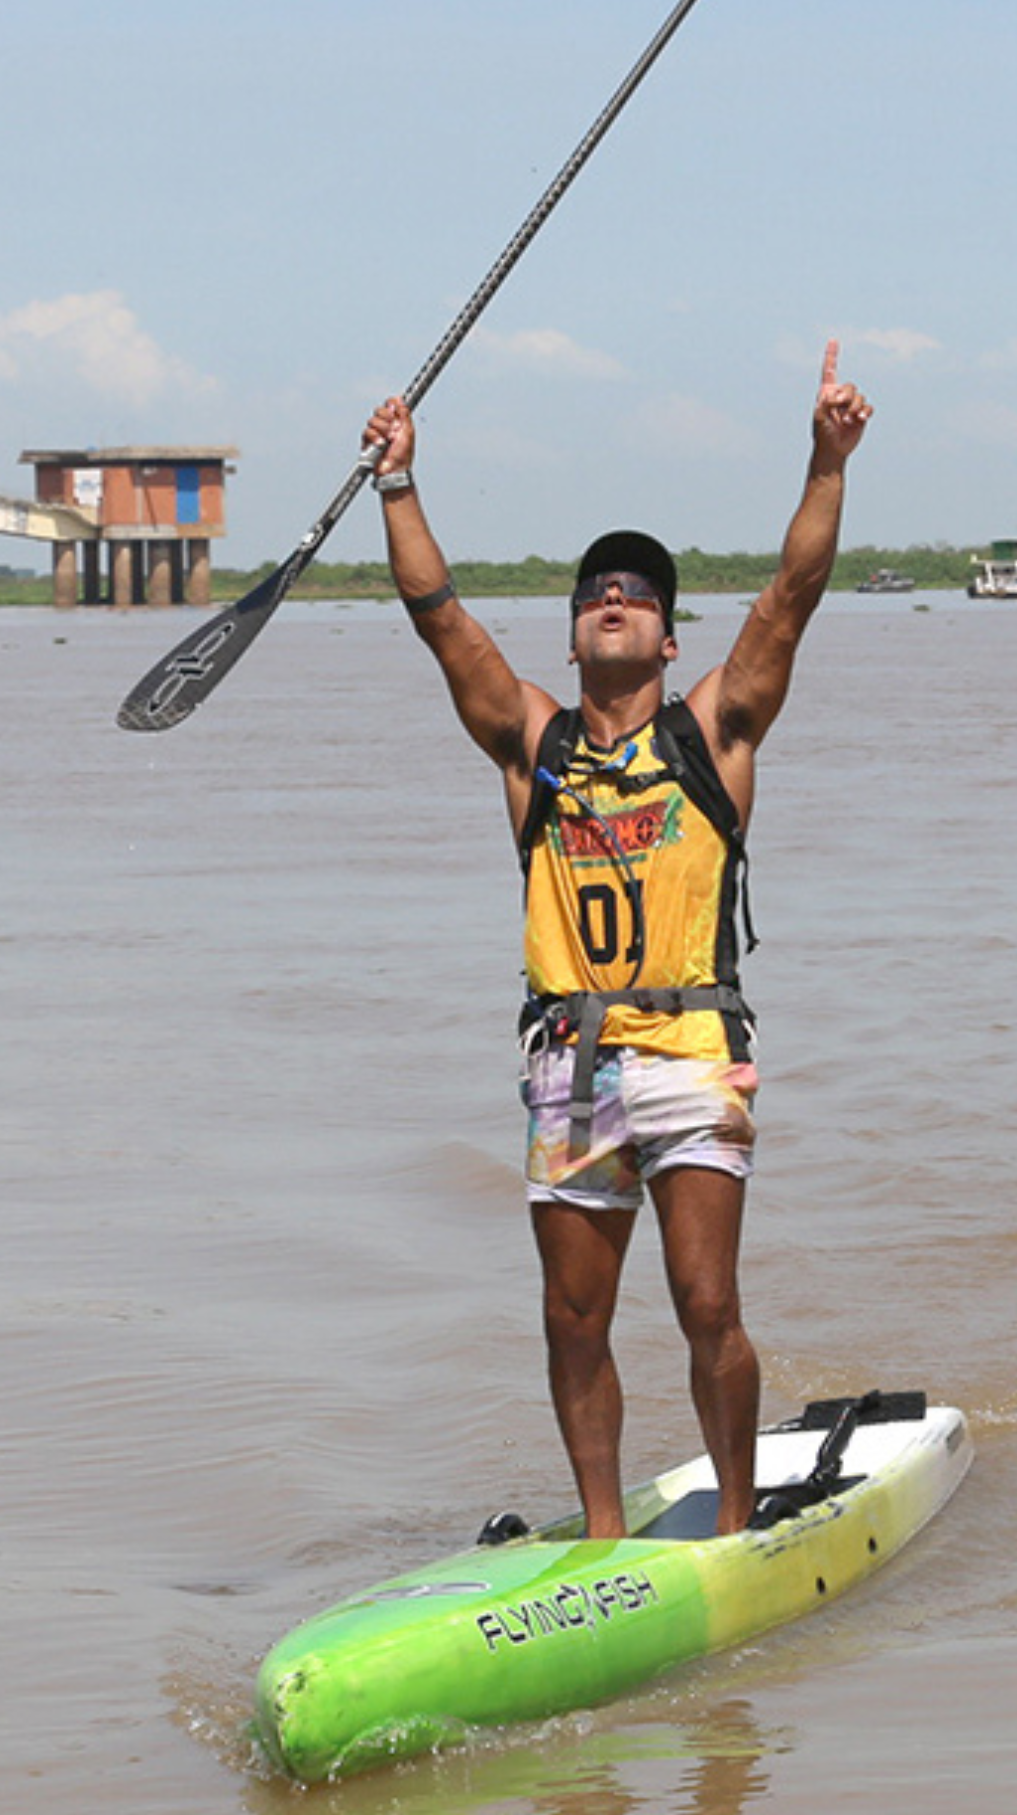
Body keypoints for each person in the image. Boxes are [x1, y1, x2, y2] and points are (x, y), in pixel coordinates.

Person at [361, 343, 873, 1539]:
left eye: (640, 594)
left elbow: (790, 597)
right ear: (575, 632)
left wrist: (826, 462)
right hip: (570, 1068)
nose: (615, 598)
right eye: (598, 589)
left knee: (705, 1303)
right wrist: (398, 486)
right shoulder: (532, 747)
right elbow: (440, 622)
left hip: (691, 1052)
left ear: (668, 640)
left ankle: (738, 1530)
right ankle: (601, 1540)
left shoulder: (717, 731)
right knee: (571, 1320)